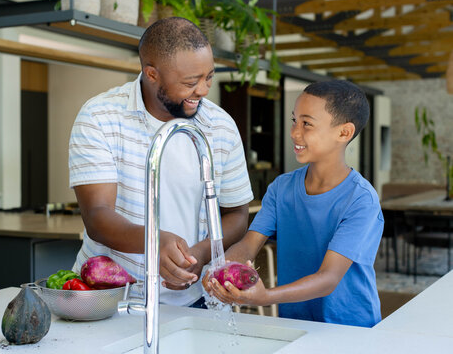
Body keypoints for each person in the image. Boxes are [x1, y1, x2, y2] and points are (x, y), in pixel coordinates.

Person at [68, 17, 253, 307]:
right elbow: (97, 216)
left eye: (209, 78)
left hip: (196, 299)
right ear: (151, 74)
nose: (203, 90)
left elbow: (237, 214)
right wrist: (155, 241)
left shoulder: (220, 126)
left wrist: (202, 253)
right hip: (111, 298)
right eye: (190, 82)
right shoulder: (99, 117)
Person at [204, 80, 384, 327]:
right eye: (294, 120)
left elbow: (328, 278)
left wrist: (266, 297)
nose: (294, 132)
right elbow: (249, 244)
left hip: (350, 329)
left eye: (307, 123)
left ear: (344, 132)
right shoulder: (282, 188)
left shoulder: (362, 200)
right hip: (295, 324)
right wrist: (219, 270)